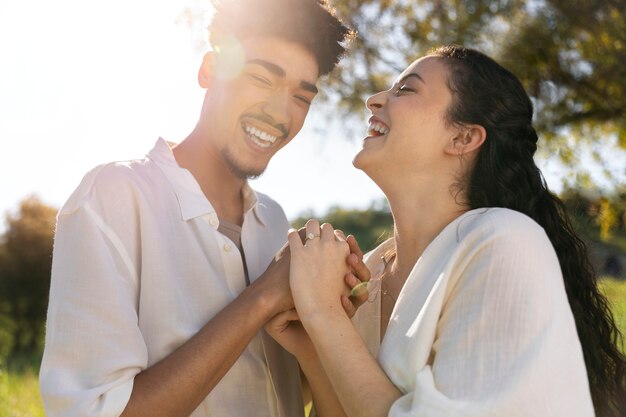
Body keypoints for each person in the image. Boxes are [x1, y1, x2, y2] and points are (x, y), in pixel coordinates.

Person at [39, 1, 366, 416]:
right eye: (262, 77)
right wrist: (264, 297)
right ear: (209, 69)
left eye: (301, 97)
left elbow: (270, 391)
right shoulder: (113, 197)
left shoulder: (275, 223)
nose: (282, 114)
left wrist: (323, 323)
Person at [267, 45, 626, 416]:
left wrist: (323, 314)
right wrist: (316, 348)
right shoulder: (364, 274)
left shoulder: (503, 242)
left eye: (405, 90)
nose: (374, 100)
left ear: (463, 139)